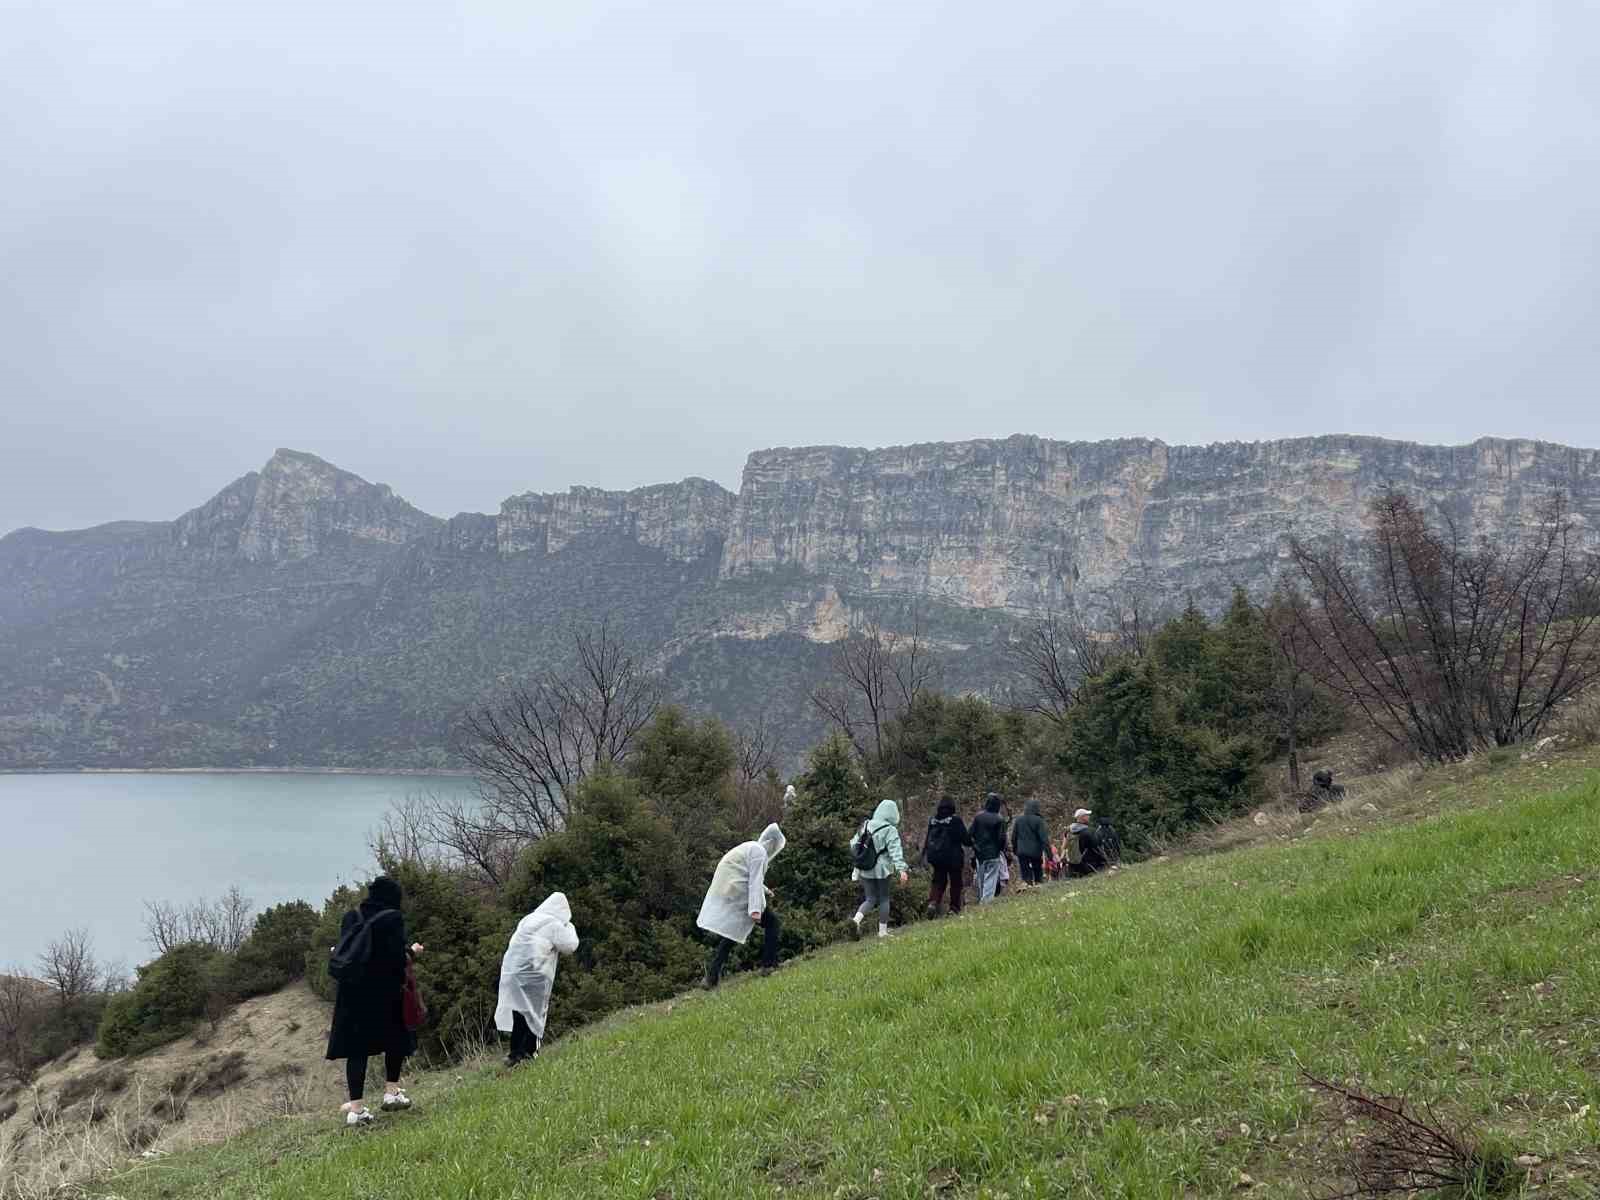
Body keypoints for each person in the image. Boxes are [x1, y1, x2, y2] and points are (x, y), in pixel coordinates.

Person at [325, 876, 423, 1127]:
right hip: (383, 992)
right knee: (396, 1040)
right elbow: (395, 959)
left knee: (356, 1050)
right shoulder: (392, 918)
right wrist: (412, 952)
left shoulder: (352, 916)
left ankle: (356, 1110)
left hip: (350, 993)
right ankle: (391, 1093)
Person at [495, 892, 580, 1067]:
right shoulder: (554, 924)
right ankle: (529, 1052)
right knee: (535, 1013)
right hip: (534, 975)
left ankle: (514, 1054)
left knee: (520, 1012)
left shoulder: (529, 919)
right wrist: (570, 926)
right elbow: (570, 946)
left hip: (513, 972)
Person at [697, 823, 786, 988]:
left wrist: (765, 891)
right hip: (740, 891)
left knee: (730, 935)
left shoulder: (751, 847)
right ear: (772, 843)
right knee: (773, 923)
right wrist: (755, 910)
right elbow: (753, 880)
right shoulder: (759, 852)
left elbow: (750, 875)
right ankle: (769, 965)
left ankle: (711, 978)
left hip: (732, 889)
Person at [849, 800, 908, 939]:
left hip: (864, 868)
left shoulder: (866, 824)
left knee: (869, 899)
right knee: (884, 899)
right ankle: (882, 932)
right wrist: (902, 869)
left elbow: (853, 845)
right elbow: (895, 851)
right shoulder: (890, 830)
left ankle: (855, 921)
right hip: (882, 870)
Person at [923, 795, 972, 918]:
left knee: (938, 881)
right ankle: (953, 909)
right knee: (956, 883)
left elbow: (927, 839)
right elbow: (965, 839)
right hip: (953, 858)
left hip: (936, 857)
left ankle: (933, 902)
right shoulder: (955, 821)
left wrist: (925, 854)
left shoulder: (932, 820)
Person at [970, 792, 1008, 904]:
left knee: (981, 880)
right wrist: (1001, 850)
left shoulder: (978, 817)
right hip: (993, 854)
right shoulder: (1000, 819)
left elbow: (969, 834)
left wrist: (974, 846)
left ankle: (982, 901)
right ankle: (985, 903)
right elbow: (1002, 838)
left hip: (980, 854)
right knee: (990, 880)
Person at [1011, 798, 1050, 886]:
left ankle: (1027, 886)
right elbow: (1044, 839)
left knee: (1025, 874)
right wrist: (1049, 855)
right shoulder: (1038, 820)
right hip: (1035, 852)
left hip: (1022, 852)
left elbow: (1014, 837)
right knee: (1037, 873)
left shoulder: (1019, 820)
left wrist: (1015, 849)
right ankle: (1037, 886)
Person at [1066, 808, 1108, 877]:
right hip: (1088, 866)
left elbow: (1065, 847)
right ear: (1082, 817)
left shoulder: (1069, 831)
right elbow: (1096, 849)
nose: (1089, 817)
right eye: (1087, 815)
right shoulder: (1089, 832)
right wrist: (1103, 862)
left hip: (1073, 865)